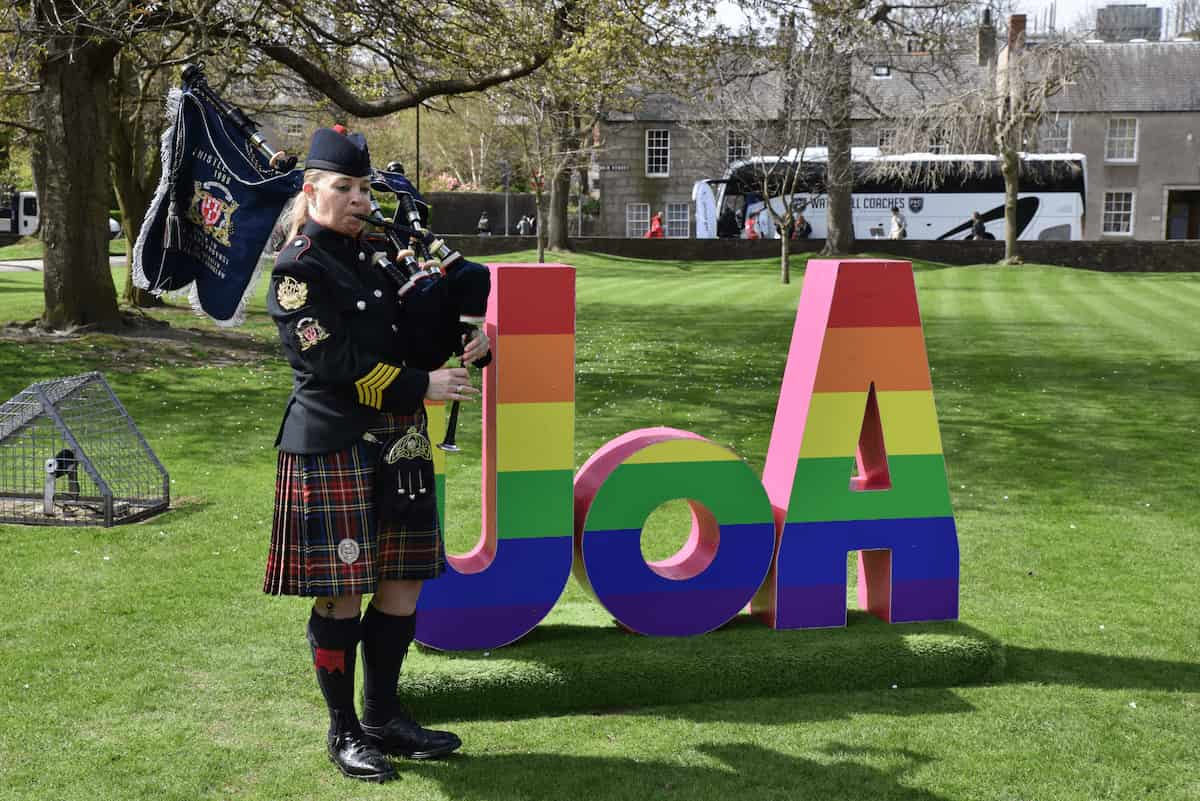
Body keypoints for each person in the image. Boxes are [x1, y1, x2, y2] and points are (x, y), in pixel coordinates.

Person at [264, 126, 491, 783]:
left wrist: (474, 338)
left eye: (364, 187)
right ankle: (344, 732)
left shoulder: (387, 247)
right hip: (334, 441)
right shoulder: (297, 269)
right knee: (339, 592)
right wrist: (425, 384)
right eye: (345, 187)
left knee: (403, 581)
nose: (360, 198)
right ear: (312, 191)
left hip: (402, 442)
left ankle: (384, 715)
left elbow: (428, 312)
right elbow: (333, 362)